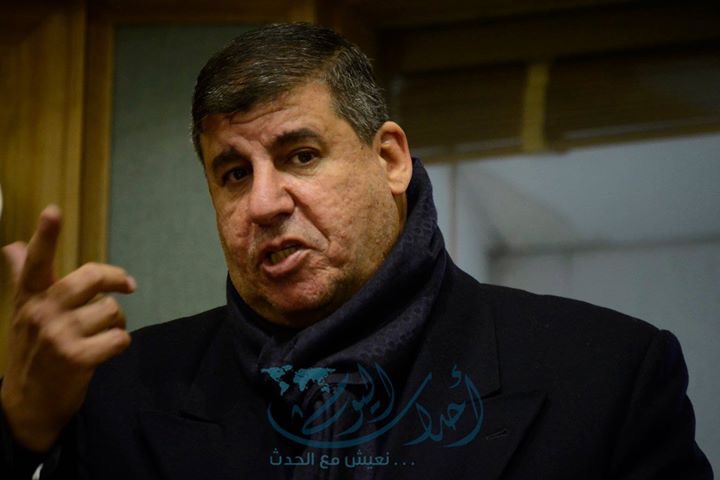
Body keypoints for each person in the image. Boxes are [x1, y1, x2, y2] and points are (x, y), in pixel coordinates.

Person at [0, 22, 713, 480]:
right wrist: (20, 429)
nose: (264, 203)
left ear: (390, 159)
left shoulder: (607, 374)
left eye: (301, 155)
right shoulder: (122, 392)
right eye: (234, 173)